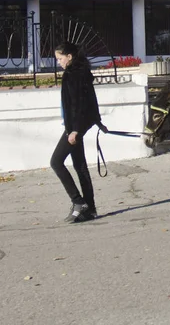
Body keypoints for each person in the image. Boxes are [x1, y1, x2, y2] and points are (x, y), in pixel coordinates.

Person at [51, 41, 104, 223]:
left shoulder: (73, 74)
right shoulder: (80, 72)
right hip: (76, 126)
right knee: (80, 166)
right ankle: (91, 208)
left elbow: (79, 105)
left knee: (56, 162)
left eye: (60, 58)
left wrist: (74, 130)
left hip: (74, 128)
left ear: (69, 57)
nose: (59, 62)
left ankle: (78, 202)